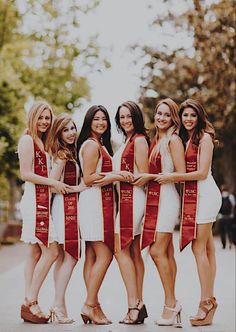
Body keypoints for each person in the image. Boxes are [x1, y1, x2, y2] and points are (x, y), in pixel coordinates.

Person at [156, 99, 222, 326]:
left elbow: (202, 173)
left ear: (199, 117)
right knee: (207, 248)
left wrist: (171, 177)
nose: (189, 119)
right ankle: (210, 301)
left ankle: (205, 302)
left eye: (193, 115)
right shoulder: (184, 139)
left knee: (198, 248)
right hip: (193, 196)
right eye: (185, 116)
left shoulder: (205, 138)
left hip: (206, 195)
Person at [18, 101, 71, 324]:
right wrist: (52, 183)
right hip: (33, 200)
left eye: (48, 118)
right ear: (33, 117)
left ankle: (31, 302)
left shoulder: (44, 142)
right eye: (40, 117)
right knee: (52, 251)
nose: (44, 121)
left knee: (34, 253)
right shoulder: (27, 139)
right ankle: (29, 300)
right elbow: (25, 174)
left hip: (43, 199)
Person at [134, 98, 185, 327]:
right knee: (167, 253)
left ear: (173, 118)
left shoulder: (173, 140)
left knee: (156, 252)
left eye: (166, 114)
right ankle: (173, 305)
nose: (161, 118)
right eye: (159, 113)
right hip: (155, 197)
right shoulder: (157, 139)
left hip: (168, 199)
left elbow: (181, 173)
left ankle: (171, 304)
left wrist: (163, 177)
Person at [77, 105, 128, 325]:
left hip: (95, 201)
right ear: (89, 121)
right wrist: (116, 174)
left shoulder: (98, 144)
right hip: (93, 203)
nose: (101, 123)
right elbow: (88, 178)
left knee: (92, 256)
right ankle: (90, 304)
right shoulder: (90, 145)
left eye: (104, 119)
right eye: (96, 119)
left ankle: (94, 305)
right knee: (105, 255)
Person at [111, 101, 149, 324]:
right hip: (126, 199)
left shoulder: (140, 141)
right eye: (122, 117)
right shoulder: (128, 141)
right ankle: (139, 303)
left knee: (118, 248)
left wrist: (115, 177)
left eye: (129, 116)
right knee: (133, 252)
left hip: (132, 199)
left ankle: (134, 304)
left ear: (136, 117)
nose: (125, 120)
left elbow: (143, 176)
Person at [49, 113, 87, 323]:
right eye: (66, 130)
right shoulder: (62, 155)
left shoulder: (69, 152)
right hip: (65, 208)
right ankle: (57, 304)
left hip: (66, 206)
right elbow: (52, 183)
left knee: (64, 258)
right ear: (59, 133)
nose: (71, 133)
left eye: (73, 128)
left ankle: (59, 305)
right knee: (71, 256)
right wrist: (78, 187)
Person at [218, 185, 235, 249]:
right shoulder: (231, 196)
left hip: (222, 217)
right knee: (229, 231)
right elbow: (233, 206)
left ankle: (223, 245)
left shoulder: (220, 196)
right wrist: (232, 214)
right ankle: (230, 243)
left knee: (222, 231)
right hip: (229, 217)